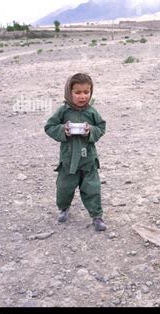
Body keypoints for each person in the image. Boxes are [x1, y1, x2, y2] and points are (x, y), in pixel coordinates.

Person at [45, 73, 108, 231]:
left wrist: (90, 131)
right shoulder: (63, 111)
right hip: (68, 160)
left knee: (92, 188)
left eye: (86, 92)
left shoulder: (92, 112)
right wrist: (63, 130)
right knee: (64, 187)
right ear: (69, 92)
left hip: (88, 160)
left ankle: (97, 216)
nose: (82, 96)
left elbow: (101, 127)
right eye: (77, 92)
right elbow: (49, 127)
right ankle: (64, 208)